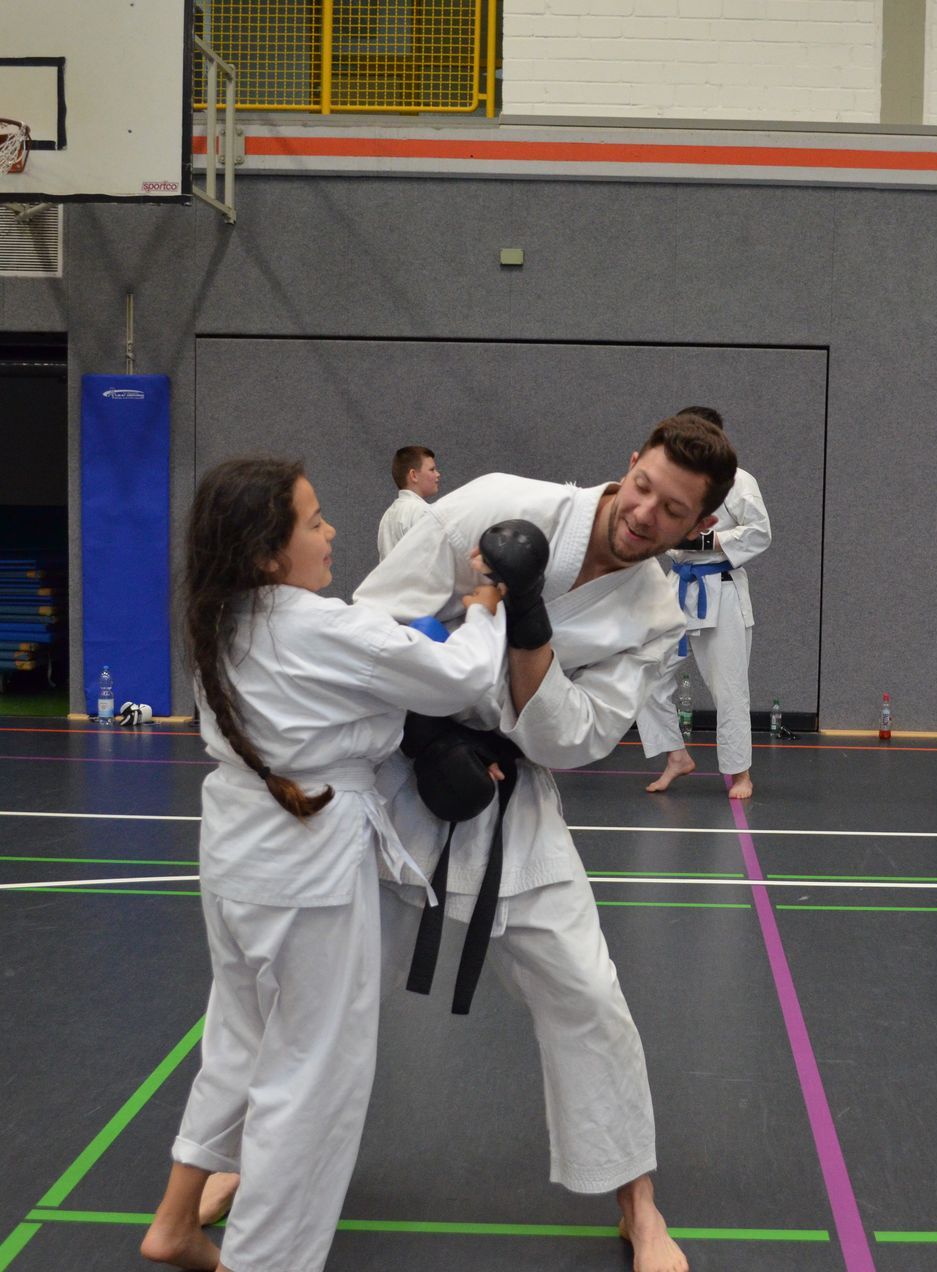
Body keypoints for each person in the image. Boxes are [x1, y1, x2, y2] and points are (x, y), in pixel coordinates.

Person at [226, 413, 731, 1272]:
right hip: (394, 775)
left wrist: (527, 619)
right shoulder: (497, 503)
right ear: (630, 463)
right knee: (312, 990)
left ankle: (638, 1207)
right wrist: (424, 734)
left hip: (509, 799)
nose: (646, 514)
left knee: (589, 995)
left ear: (701, 523)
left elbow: (573, 739)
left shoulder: (653, 612)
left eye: (674, 511)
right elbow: (374, 619)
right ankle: (249, 1164)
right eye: (644, 487)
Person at [140, 456, 508, 1272]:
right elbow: (460, 677)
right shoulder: (321, 627)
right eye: (313, 521)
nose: (332, 531)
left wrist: (430, 630)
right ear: (267, 553)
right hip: (307, 868)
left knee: (240, 1037)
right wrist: (487, 606)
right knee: (312, 1076)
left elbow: (372, 662)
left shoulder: (220, 618)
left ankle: (175, 1220)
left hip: (236, 856)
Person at [637, 407, 772, 800]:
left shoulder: (739, 481)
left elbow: (760, 532)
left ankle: (740, 773)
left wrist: (703, 541)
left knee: (729, 689)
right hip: (676, 587)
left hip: (721, 589)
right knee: (645, 675)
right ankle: (676, 756)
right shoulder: (670, 480)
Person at [377, 445, 442, 561]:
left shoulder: (387, 516)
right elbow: (432, 561)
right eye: (432, 469)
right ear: (413, 475)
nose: (438, 474)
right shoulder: (423, 512)